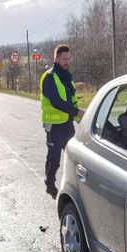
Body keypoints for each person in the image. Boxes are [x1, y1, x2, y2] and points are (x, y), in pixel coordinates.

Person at [40, 44, 81, 197]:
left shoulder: (67, 77)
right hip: (54, 126)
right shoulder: (49, 77)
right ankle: (50, 184)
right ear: (56, 58)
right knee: (54, 158)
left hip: (68, 124)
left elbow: (71, 100)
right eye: (64, 59)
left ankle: (73, 186)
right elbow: (56, 101)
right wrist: (77, 111)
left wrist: (81, 118)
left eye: (69, 58)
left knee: (72, 157)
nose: (67, 61)